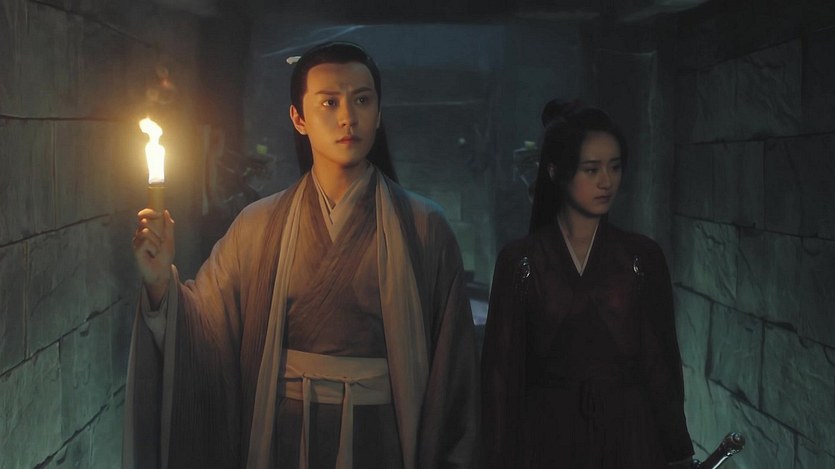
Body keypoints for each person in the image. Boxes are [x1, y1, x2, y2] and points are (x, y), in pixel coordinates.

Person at [126, 41, 480, 469]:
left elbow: (454, 370)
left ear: (379, 113)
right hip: (284, 438)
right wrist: (160, 283)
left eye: (362, 100)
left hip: (384, 439)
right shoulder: (258, 226)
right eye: (329, 102)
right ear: (299, 118)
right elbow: (205, 332)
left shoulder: (424, 227)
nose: (348, 117)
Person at [481, 100, 694, 468]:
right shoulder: (521, 261)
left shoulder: (641, 257)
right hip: (548, 436)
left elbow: (661, 364)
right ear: (555, 172)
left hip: (630, 436)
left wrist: (677, 451)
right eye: (591, 169)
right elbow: (501, 375)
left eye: (615, 167)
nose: (606, 182)